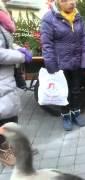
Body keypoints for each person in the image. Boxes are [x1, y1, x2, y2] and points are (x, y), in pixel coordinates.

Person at [40, 0, 85, 131]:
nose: (71, 3)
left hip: (77, 62)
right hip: (60, 64)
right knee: (63, 93)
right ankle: (66, 116)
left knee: (76, 91)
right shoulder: (49, 18)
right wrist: (51, 66)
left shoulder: (78, 17)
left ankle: (76, 113)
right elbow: (47, 44)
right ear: (58, 2)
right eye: (65, 0)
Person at [0, 0, 32, 166]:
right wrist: (20, 56)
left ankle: (15, 148)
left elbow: (7, 44)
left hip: (6, 78)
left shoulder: (2, 17)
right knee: (4, 118)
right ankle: (5, 152)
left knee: (10, 116)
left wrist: (19, 49)